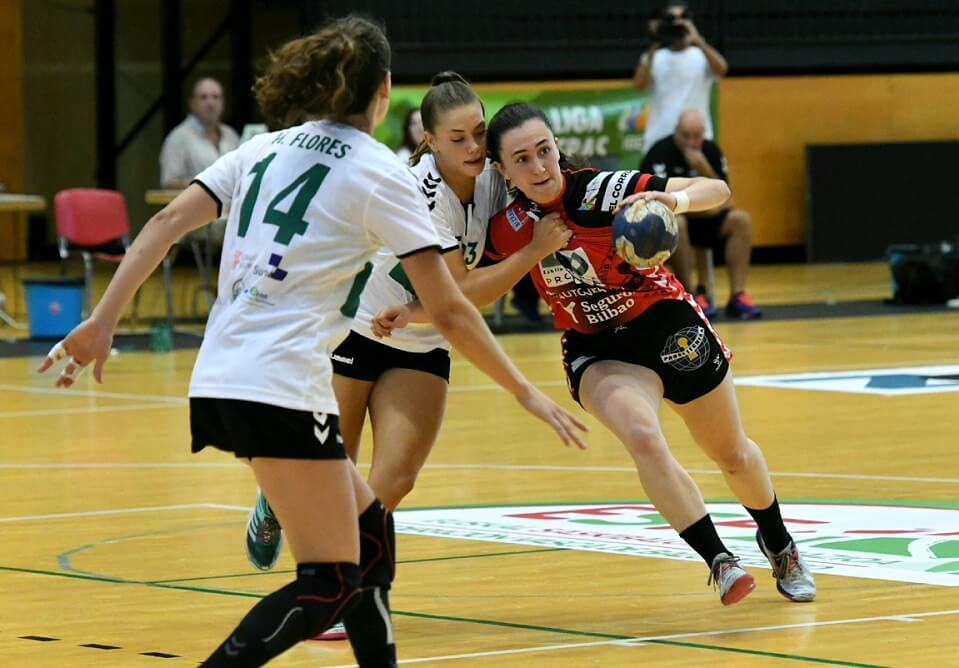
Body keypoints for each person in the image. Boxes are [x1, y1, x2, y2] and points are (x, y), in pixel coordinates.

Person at [37, 19, 586, 667]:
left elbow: (163, 224)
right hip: (285, 385)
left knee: (371, 534)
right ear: (384, 92)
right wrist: (525, 392)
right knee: (326, 585)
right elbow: (451, 309)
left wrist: (103, 321)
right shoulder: (385, 173)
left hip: (222, 374)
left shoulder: (263, 147)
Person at [378, 102, 815, 607]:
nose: (539, 167)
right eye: (522, 159)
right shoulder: (509, 227)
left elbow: (719, 191)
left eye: (545, 151)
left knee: (731, 452)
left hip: (664, 325)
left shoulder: (600, 191)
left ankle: (779, 542)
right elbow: (470, 292)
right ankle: (719, 561)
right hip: (597, 347)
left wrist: (670, 204)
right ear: (501, 169)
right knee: (642, 436)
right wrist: (415, 311)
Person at [244, 70, 573, 642]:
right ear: (429, 141)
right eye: (457, 139)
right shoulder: (416, 191)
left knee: (391, 481)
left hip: (421, 342)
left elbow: (548, 188)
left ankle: (339, 595)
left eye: (478, 134)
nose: (473, 148)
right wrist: (532, 254)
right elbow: (460, 294)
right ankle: (276, 500)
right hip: (357, 330)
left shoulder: (495, 178)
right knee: (326, 482)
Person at [641, 109, 761, 319]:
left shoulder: (711, 152)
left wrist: (703, 167)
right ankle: (689, 295)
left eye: (697, 136)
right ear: (676, 131)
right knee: (678, 222)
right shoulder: (659, 153)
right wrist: (706, 208)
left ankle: (738, 295)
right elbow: (656, 203)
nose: (692, 142)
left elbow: (727, 198)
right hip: (676, 222)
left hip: (707, 221)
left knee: (741, 220)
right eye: (685, 135)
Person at [633, 1, 727, 156]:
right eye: (671, 21)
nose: (677, 25)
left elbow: (722, 69)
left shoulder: (702, 56)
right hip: (659, 138)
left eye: (682, 20)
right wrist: (656, 40)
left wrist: (697, 40)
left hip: (696, 139)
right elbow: (639, 85)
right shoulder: (654, 57)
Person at [160, 77, 240, 188]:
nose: (211, 103)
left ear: (223, 103)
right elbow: (169, 183)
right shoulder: (178, 137)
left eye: (216, 97)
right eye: (204, 97)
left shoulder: (231, 135)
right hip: (193, 204)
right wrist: (207, 185)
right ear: (192, 103)